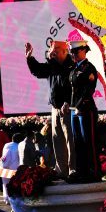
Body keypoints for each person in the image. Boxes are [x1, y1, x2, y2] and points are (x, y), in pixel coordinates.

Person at [25, 40, 74, 178]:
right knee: (57, 140)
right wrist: (29, 58)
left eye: (56, 51)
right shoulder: (52, 66)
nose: (52, 54)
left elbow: (75, 88)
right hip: (55, 108)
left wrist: (68, 102)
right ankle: (61, 169)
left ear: (65, 52)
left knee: (70, 139)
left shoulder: (71, 66)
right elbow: (38, 71)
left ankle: (72, 169)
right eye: (51, 51)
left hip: (67, 108)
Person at [63, 40, 98, 182]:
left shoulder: (89, 68)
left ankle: (93, 172)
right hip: (74, 110)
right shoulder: (74, 69)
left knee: (88, 141)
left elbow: (88, 90)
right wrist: (67, 103)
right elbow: (71, 90)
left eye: (76, 52)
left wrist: (78, 106)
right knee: (77, 142)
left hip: (85, 108)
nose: (74, 54)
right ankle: (81, 171)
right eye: (72, 52)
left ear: (84, 50)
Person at [0, 133, 24, 204]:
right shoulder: (18, 147)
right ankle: (14, 199)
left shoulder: (6, 145)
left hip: (4, 167)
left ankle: (6, 199)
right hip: (14, 168)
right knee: (14, 185)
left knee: (5, 184)